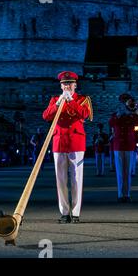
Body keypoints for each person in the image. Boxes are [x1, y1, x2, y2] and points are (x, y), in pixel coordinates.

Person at [42, 71, 93, 224]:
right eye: (64, 84)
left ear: (75, 85)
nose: (67, 86)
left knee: (76, 179)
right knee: (61, 179)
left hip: (76, 142)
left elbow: (85, 114)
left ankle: (76, 212)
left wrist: (70, 101)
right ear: (60, 85)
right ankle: (64, 212)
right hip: (59, 142)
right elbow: (46, 116)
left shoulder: (82, 99)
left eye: (70, 84)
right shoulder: (55, 100)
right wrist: (57, 104)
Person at [109, 93, 138, 203]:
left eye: (127, 102)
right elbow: (111, 124)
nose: (126, 104)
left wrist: (136, 111)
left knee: (127, 171)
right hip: (118, 145)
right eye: (125, 102)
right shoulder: (116, 115)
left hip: (129, 145)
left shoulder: (133, 116)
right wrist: (118, 115)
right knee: (120, 172)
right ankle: (120, 194)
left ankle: (126, 194)